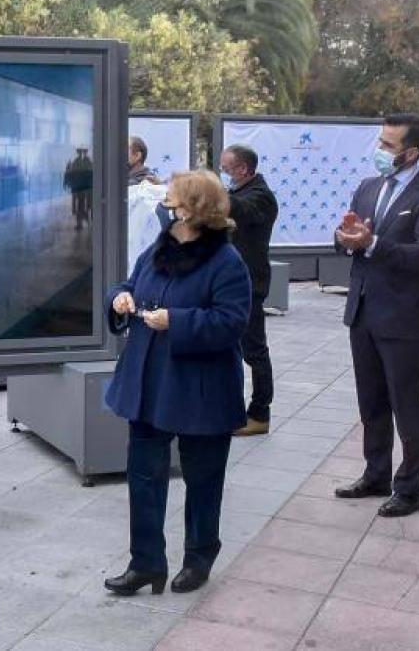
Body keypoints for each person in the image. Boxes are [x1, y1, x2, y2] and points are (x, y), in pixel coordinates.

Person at [102, 170, 252, 596]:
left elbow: (232, 321)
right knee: (143, 477)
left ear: (196, 210)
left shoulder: (226, 262)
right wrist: (120, 297)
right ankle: (146, 563)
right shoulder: (161, 246)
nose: (168, 205)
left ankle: (199, 556)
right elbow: (131, 284)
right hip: (149, 381)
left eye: (175, 200)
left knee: (203, 479)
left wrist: (177, 321)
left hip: (200, 387)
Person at [332, 113, 419, 518]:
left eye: (389, 145)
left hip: (403, 318)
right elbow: (346, 236)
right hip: (362, 310)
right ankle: (375, 473)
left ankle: (409, 489)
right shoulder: (367, 187)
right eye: (380, 142)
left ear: (411, 153)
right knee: (371, 402)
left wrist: (374, 243)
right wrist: (345, 239)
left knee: (407, 404)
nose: (380, 151)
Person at [218, 145, 279, 436]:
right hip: (230, 283)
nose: (224, 173)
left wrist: (208, 192)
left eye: (226, 168)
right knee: (231, 346)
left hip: (250, 285)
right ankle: (233, 408)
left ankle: (259, 413)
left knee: (254, 350)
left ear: (243, 169)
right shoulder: (242, 192)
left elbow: (238, 209)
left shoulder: (260, 196)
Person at [64, 147, 95, 230]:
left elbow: (89, 172)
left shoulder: (87, 161)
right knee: (81, 206)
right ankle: (80, 223)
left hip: (86, 188)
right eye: (80, 151)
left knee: (88, 205)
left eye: (83, 151)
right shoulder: (77, 161)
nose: (82, 153)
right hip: (81, 188)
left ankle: (87, 221)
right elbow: (73, 172)